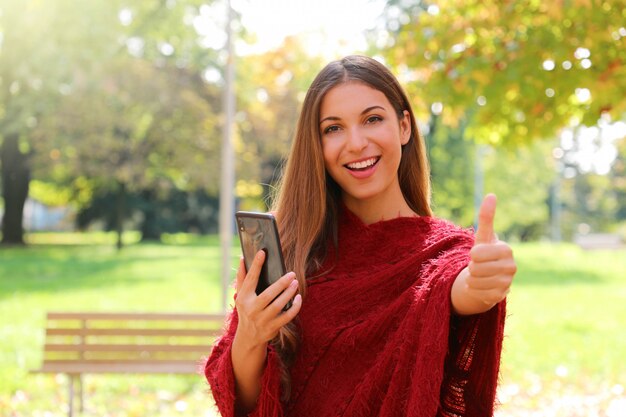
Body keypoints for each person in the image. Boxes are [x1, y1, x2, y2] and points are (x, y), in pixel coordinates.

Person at [204, 55, 516, 417]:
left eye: (372, 119)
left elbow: (457, 287)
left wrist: (482, 283)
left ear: (404, 127)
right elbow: (241, 405)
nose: (355, 143)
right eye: (333, 128)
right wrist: (251, 334)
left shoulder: (448, 253)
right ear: (316, 144)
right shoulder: (287, 247)